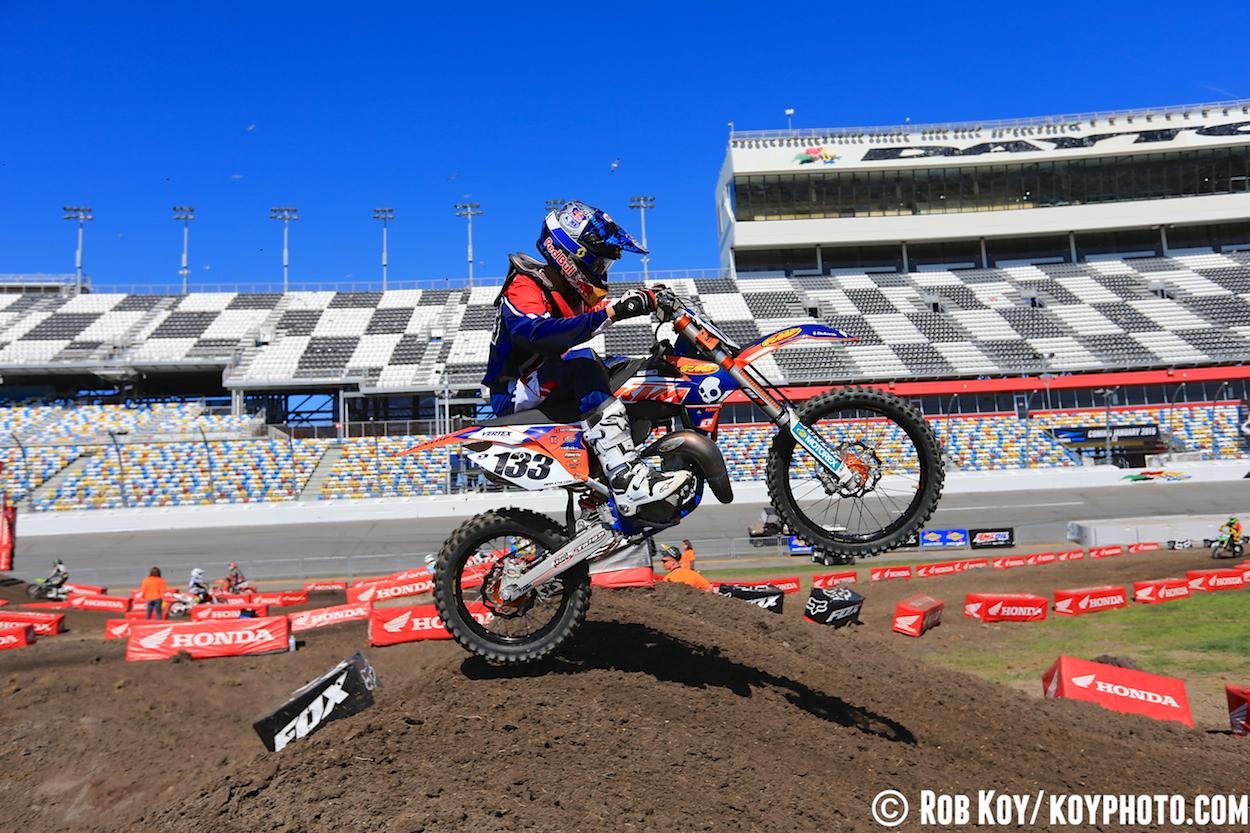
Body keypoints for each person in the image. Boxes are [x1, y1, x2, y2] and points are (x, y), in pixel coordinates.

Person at [482, 200, 693, 520]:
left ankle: (608, 487)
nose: (601, 273)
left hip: (546, 383)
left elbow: (597, 316)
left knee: (636, 373)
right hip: (514, 394)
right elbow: (535, 333)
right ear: (571, 256)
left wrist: (643, 299)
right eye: (598, 264)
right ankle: (623, 475)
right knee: (583, 359)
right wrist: (614, 312)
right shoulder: (525, 284)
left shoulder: (568, 293)